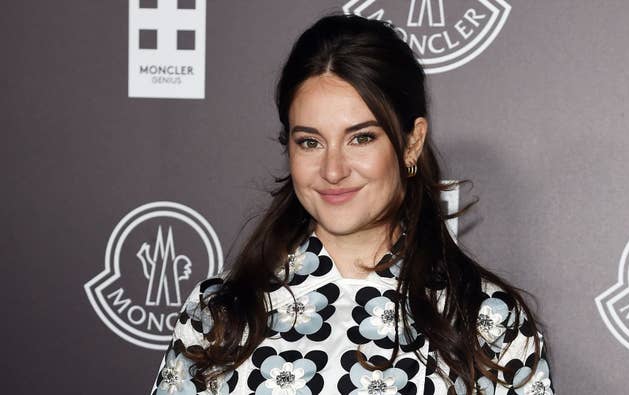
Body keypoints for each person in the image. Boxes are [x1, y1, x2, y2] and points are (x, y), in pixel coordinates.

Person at [151, 13, 554, 395]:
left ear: (411, 141)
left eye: (360, 138)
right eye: (310, 141)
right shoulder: (219, 312)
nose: (332, 169)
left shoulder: (489, 320)